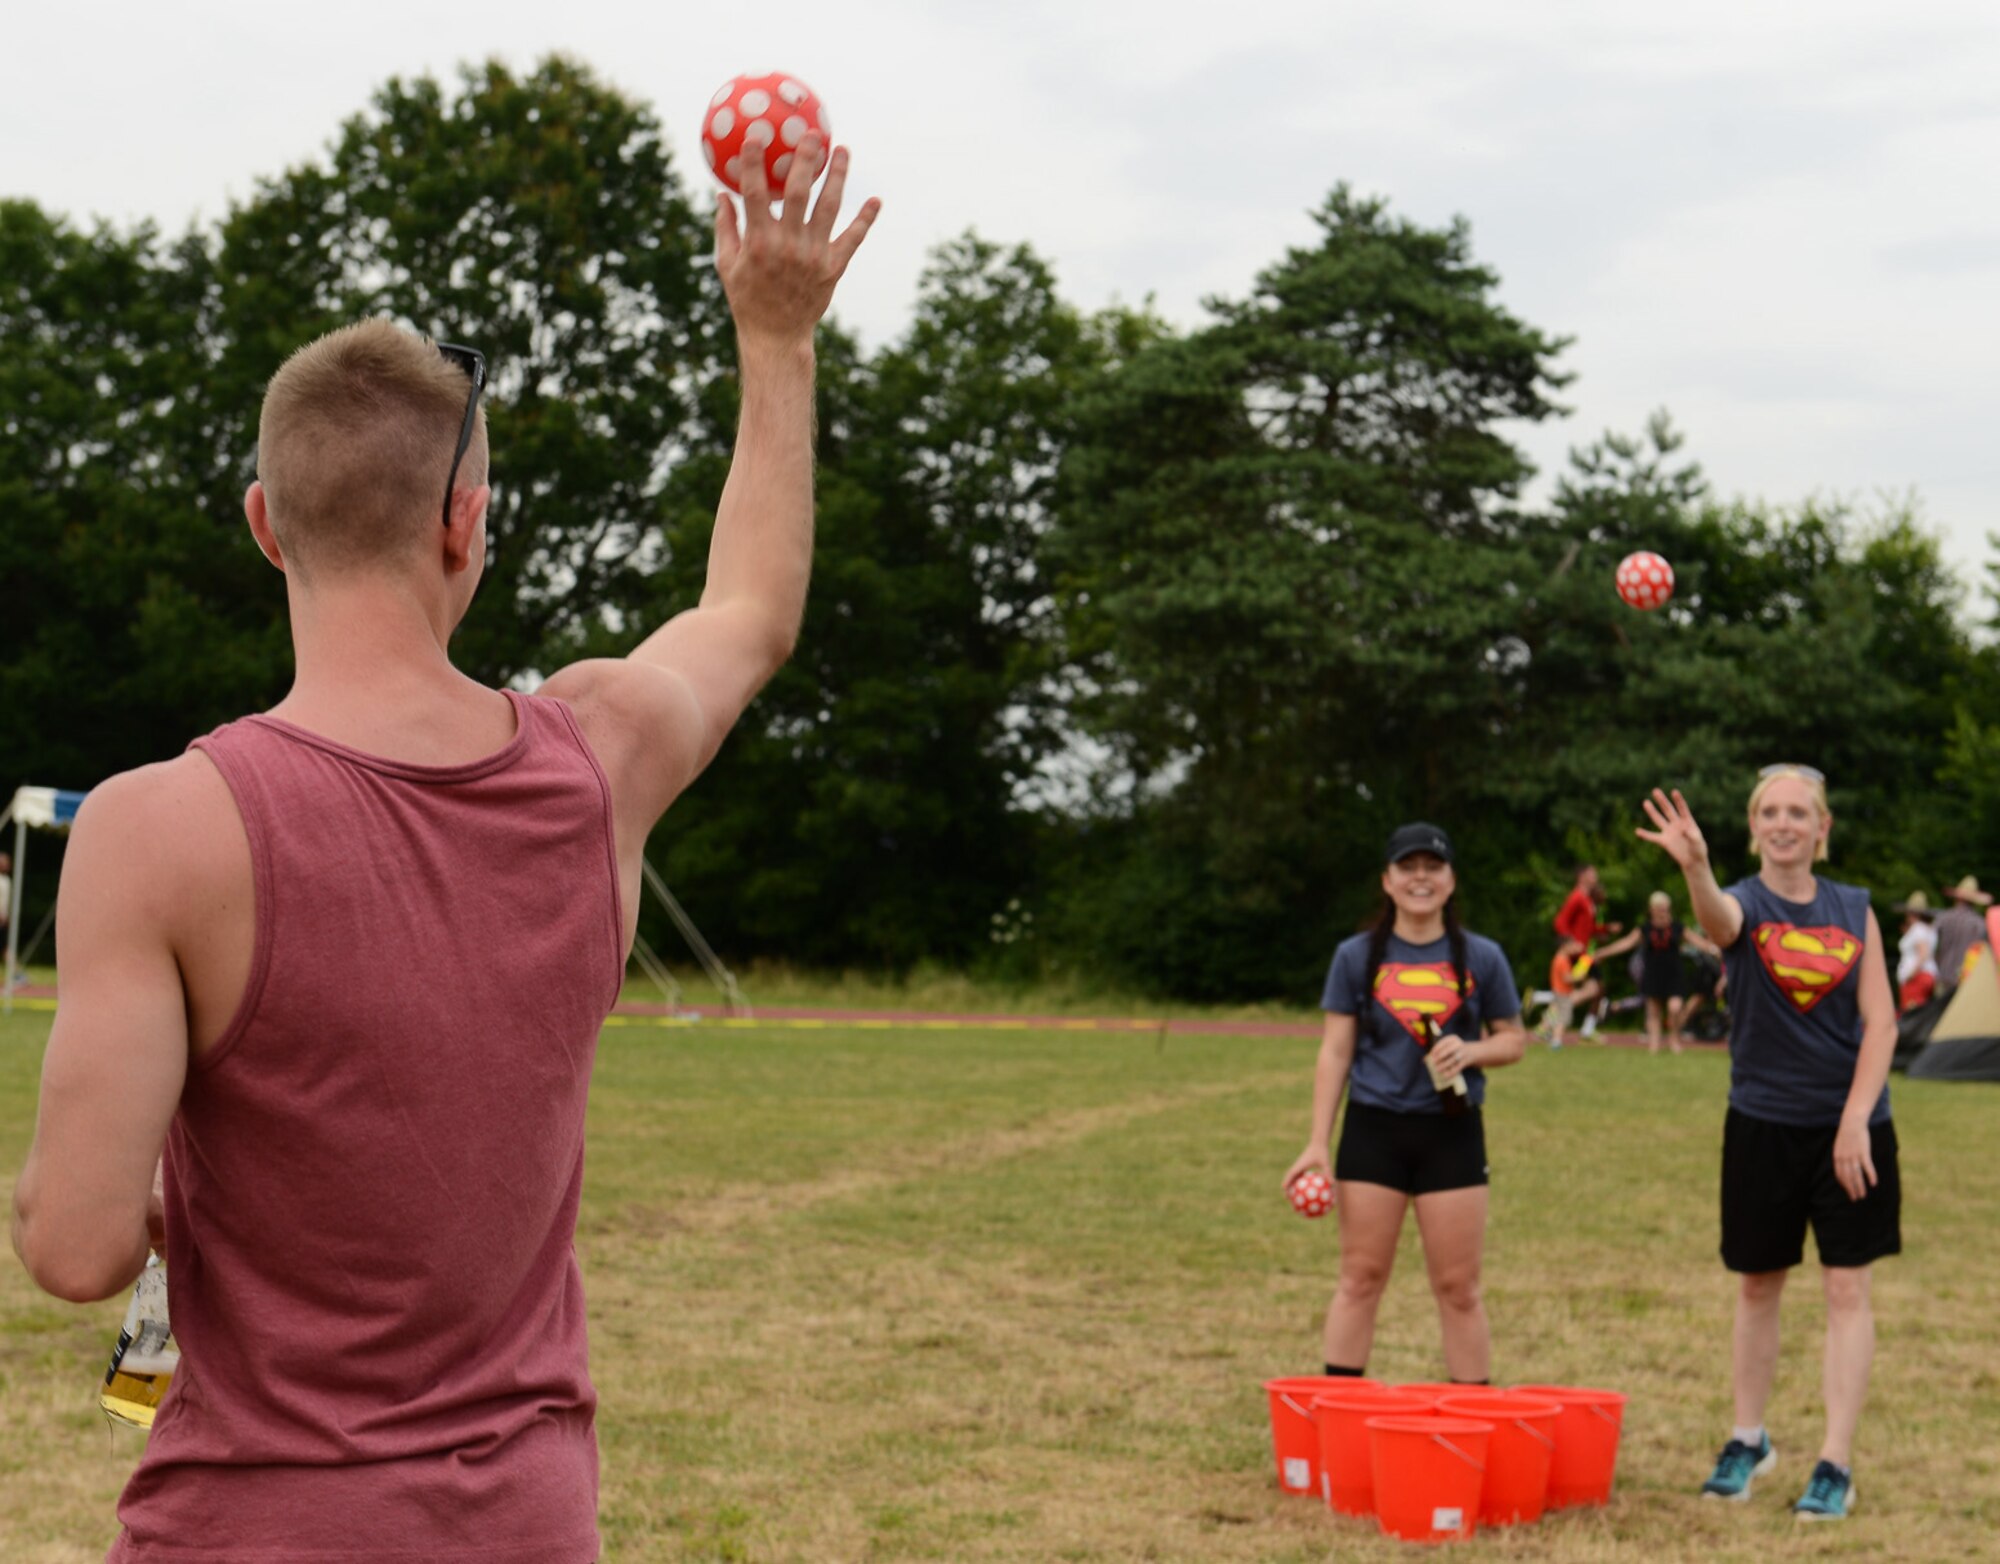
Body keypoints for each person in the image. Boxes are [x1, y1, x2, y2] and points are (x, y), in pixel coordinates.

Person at [10, 138, 878, 1561]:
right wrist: (775, 340)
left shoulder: (156, 828)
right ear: (465, 523)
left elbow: (74, 1251)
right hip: (527, 1525)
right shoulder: (596, 760)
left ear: (263, 529)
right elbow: (751, 613)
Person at [1636, 767, 1898, 1521]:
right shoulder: (1742, 903)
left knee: (1848, 1288)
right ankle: (1747, 1440)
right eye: (1770, 813)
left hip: (1853, 1129)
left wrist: (1854, 1120)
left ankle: (1834, 1464)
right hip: (1762, 1123)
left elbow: (1880, 1023)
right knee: (1758, 1284)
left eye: (1799, 812)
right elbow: (1718, 922)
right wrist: (1694, 866)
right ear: (1754, 829)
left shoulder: (1856, 908)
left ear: (1823, 827)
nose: (1784, 824)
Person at [1283, 822, 1528, 1384]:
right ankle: (1338, 1413)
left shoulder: (1483, 958)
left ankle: (1472, 1418)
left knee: (1458, 1289)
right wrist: (1317, 1143)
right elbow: (1334, 1052)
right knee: (1359, 1278)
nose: (1421, 878)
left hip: (1452, 1133)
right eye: (1408, 868)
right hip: (1373, 1132)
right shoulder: (1355, 957)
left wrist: (1471, 1052)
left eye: (1433, 867)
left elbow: (1513, 1040)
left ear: (1451, 880)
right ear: (1387, 881)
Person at [1636, 890, 1722, 1054]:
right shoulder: (1645, 929)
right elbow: (1626, 943)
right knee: (1654, 1012)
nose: (1663, 912)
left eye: (1665, 908)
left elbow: (1696, 940)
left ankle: (1674, 1039)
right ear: (1652, 909)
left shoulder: (1677, 927)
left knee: (1675, 1008)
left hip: (1673, 973)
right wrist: (1603, 952)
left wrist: (1713, 949)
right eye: (1660, 908)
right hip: (1653, 973)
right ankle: (1654, 1046)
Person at [1931, 875, 1989, 997]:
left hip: (1942, 974)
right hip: (1965, 979)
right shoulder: (1979, 923)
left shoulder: (1943, 918)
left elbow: (1930, 944)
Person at [1894, 892, 1938, 1014]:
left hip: (1916, 978)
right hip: (1927, 975)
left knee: (1911, 1014)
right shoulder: (1929, 929)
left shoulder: (1917, 929)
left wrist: (1910, 974)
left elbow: (1923, 953)